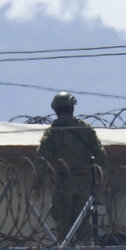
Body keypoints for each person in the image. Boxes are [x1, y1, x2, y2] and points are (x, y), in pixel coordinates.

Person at [34, 92, 108, 242]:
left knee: (63, 225)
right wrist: (102, 180)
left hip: (63, 182)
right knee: (83, 224)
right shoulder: (85, 129)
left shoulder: (52, 133)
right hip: (84, 183)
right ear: (72, 109)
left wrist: (37, 185)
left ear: (55, 110)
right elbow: (101, 155)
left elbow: (41, 159)